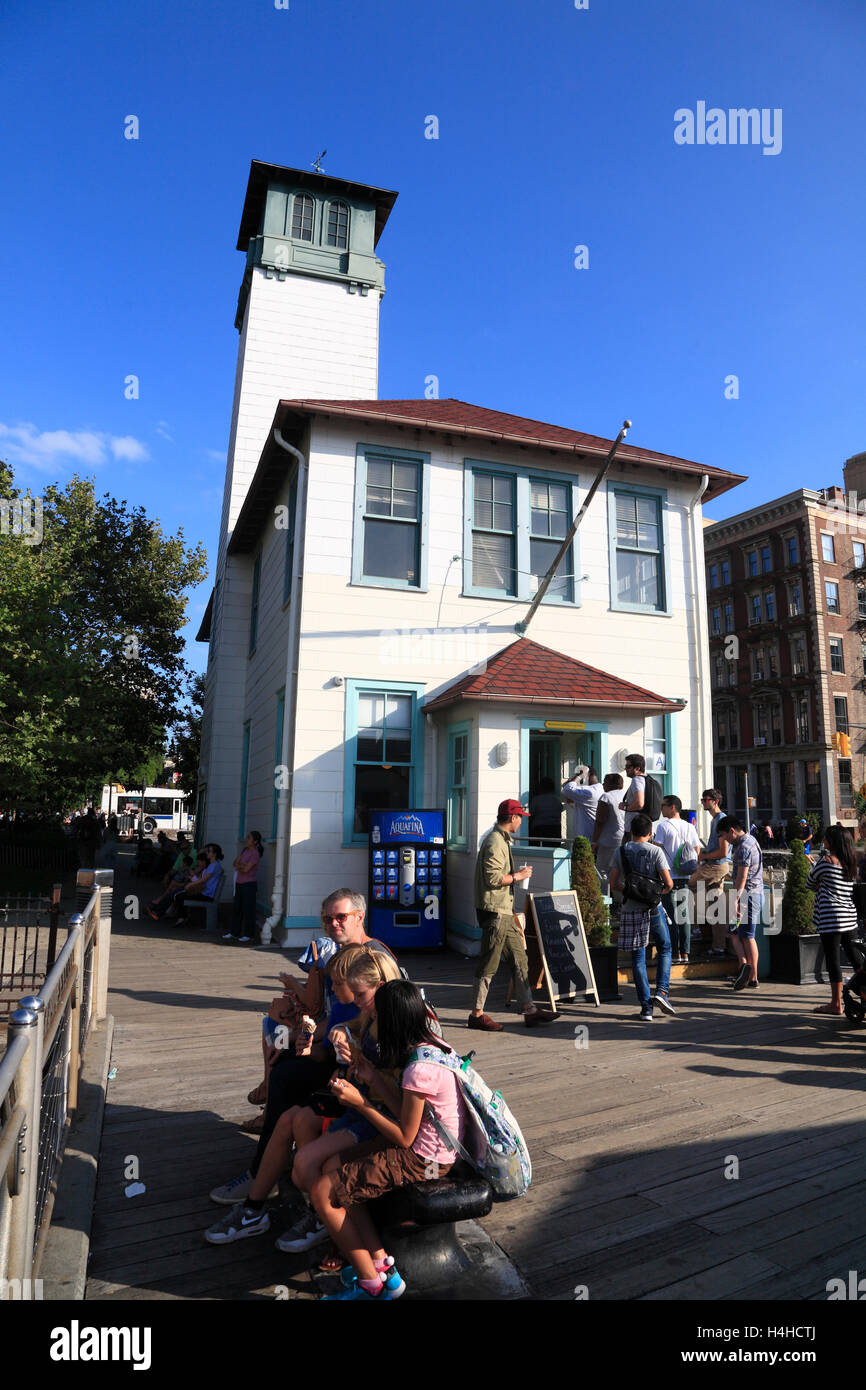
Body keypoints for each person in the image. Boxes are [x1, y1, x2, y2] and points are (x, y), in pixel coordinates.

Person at [209, 889, 398, 1206]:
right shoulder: (338, 956)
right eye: (327, 918)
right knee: (283, 1055)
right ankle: (274, 1153)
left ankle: (263, 1171)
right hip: (339, 1049)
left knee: (286, 1077)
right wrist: (306, 1034)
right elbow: (331, 1014)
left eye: (341, 917)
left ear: (360, 917)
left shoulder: (371, 960)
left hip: (363, 1063)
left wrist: (321, 1037)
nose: (333, 924)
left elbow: (369, 1024)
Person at [309, 978, 469, 1301]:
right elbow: (406, 1112)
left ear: (392, 1021)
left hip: (427, 1159)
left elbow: (405, 1137)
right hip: (425, 1146)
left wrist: (361, 1103)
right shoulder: (434, 1046)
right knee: (331, 1165)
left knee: (322, 1192)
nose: (375, 1021)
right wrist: (374, 1079)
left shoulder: (419, 1068)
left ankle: (372, 1287)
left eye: (380, 1015)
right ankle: (382, 1266)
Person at [468, 799, 556, 1032]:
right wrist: (519, 875)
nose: (521, 822)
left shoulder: (500, 839)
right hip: (495, 911)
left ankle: (529, 1009)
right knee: (489, 962)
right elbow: (494, 879)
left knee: (520, 958)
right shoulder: (496, 842)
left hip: (503, 910)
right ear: (513, 818)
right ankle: (476, 1014)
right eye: (520, 818)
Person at [610, 812, 676, 1021]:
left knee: (638, 958)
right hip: (652, 909)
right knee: (665, 947)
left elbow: (613, 884)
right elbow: (669, 884)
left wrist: (631, 891)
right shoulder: (656, 851)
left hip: (630, 909)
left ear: (631, 831)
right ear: (650, 833)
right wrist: (654, 895)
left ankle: (646, 1008)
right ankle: (662, 992)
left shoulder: (620, 851)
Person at [806, 827, 865, 1015]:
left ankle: (835, 1004)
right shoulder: (850, 864)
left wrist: (821, 883)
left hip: (831, 917)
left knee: (833, 961)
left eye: (826, 838)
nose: (823, 841)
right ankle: (864, 993)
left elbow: (809, 883)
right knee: (857, 959)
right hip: (849, 917)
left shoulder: (825, 862)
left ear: (832, 841)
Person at [715, 817, 762, 991]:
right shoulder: (751, 840)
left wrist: (735, 900)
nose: (724, 839)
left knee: (748, 936)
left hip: (747, 896)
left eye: (724, 835)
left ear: (732, 831)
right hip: (749, 895)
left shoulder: (743, 847)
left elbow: (742, 877)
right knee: (734, 933)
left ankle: (753, 978)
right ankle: (743, 969)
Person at [654, 796, 701, 963]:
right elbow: (697, 851)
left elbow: (657, 851)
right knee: (684, 915)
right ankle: (686, 952)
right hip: (685, 876)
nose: (661, 809)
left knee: (671, 916)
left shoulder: (663, 827)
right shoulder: (690, 826)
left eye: (663, 806)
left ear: (672, 807)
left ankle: (675, 953)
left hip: (669, 877)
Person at [689, 789, 732, 956]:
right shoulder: (717, 820)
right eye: (702, 799)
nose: (703, 802)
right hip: (718, 866)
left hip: (715, 866)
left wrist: (704, 855)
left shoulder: (721, 820)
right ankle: (718, 946)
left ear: (715, 801)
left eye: (706, 799)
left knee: (686, 887)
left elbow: (723, 851)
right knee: (717, 907)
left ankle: (695, 928)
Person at [164, 843, 224, 925]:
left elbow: (203, 880)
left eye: (209, 851)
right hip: (205, 892)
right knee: (178, 894)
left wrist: (190, 884)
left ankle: (182, 918)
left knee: (179, 896)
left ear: (214, 854)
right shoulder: (213, 865)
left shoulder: (214, 866)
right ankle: (182, 917)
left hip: (206, 895)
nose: (207, 853)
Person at [590, 774, 625, 895]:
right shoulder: (625, 795)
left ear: (611, 784)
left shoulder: (606, 797)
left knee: (602, 871)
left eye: (605, 782)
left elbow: (600, 821)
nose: (603, 785)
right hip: (624, 839)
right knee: (619, 871)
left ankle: (604, 900)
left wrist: (594, 841)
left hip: (609, 840)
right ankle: (620, 901)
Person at [226, 831, 264, 943]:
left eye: (249, 838)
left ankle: (249, 934)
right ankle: (234, 932)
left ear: (255, 841)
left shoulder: (255, 853)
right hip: (239, 883)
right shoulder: (245, 850)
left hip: (249, 884)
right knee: (237, 908)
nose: (246, 840)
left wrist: (241, 866)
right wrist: (241, 866)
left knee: (248, 910)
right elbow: (235, 863)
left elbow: (247, 869)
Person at [561, 767, 604, 842]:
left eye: (580, 775)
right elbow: (567, 790)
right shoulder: (599, 789)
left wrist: (579, 776)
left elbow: (567, 790)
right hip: (594, 835)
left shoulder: (590, 791)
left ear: (587, 774)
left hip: (586, 836)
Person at [619, 754, 647, 836]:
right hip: (642, 827)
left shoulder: (637, 780)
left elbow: (639, 803)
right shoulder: (646, 779)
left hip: (633, 830)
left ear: (637, 768)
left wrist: (625, 808)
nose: (625, 769)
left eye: (628, 766)